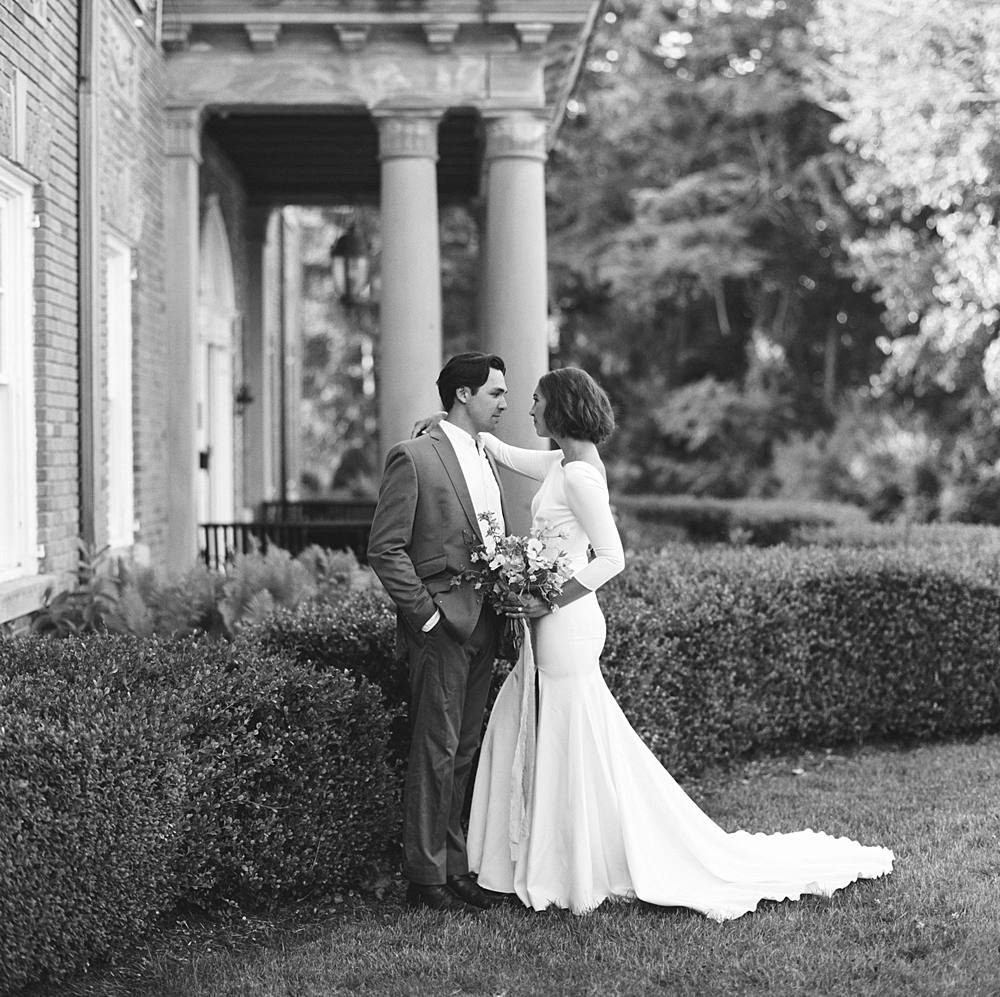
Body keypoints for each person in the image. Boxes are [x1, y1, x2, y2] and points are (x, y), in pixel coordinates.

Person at [418, 366, 894, 919]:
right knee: (549, 729)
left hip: (567, 626)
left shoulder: (580, 477)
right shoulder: (562, 461)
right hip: (549, 625)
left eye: (537, 401)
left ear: (562, 409)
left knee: (567, 735)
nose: (528, 409)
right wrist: (455, 430)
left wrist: (550, 599)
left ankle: (564, 862)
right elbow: (506, 454)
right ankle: (545, 854)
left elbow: (612, 558)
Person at [367, 352, 513, 915]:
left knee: (464, 748)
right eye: (495, 393)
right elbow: (386, 548)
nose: (503, 403)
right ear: (464, 395)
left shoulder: (485, 456)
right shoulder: (415, 457)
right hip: (439, 628)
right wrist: (425, 616)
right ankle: (422, 877)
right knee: (435, 747)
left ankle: (453, 866)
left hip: (487, 622)